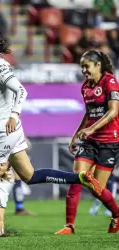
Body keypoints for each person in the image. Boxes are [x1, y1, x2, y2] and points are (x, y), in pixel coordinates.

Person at [0, 32, 106, 241]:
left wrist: (13, 114)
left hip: (0, 133)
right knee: (29, 175)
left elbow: (21, 91)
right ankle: (79, 177)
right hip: (13, 132)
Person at [55, 50, 119, 234]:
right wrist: (76, 135)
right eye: (82, 67)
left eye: (87, 66)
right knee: (77, 177)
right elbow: (89, 113)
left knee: (96, 189)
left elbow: (114, 111)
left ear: (98, 65)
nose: (84, 70)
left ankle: (116, 215)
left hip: (109, 142)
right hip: (90, 141)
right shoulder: (85, 87)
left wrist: (92, 128)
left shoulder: (110, 81)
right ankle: (69, 226)